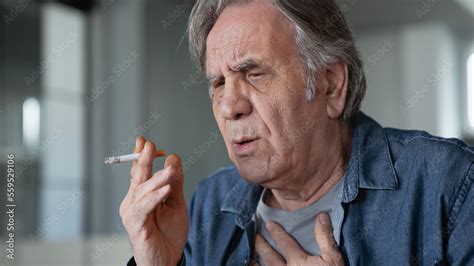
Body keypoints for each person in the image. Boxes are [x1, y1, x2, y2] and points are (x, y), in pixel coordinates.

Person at [120, 0, 474, 265]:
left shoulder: (448, 183)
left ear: (331, 85)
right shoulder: (210, 203)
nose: (229, 106)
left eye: (254, 73)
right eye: (218, 82)